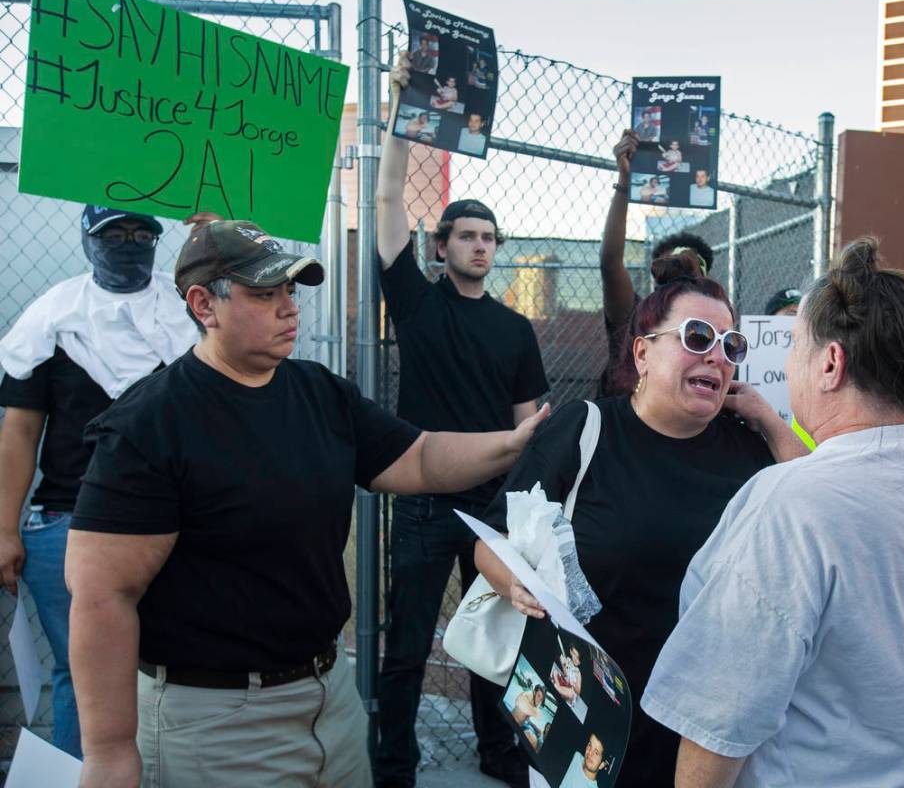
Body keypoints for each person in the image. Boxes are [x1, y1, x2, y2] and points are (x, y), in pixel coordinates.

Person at [65, 218, 548, 788]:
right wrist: (110, 751)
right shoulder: (151, 424)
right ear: (204, 305)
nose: (289, 308)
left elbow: (418, 457)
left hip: (328, 698)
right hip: (215, 722)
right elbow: (102, 596)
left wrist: (514, 445)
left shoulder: (318, 391)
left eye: (290, 291)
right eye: (265, 294)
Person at [642, 238, 904, 787]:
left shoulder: (789, 503)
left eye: (794, 345)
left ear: (830, 363)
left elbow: (720, 716)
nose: (786, 362)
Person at [476, 258, 806, 788]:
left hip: (705, 727)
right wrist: (514, 583)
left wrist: (769, 419)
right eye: (698, 337)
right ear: (643, 352)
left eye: (731, 346)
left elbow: (817, 504)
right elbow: (491, 540)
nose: (717, 356)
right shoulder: (585, 429)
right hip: (586, 715)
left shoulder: (749, 447)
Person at [374, 52, 550, 788]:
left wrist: (530, 519)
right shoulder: (414, 302)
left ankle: (499, 758)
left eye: (488, 237)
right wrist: (399, 112)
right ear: (440, 247)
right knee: (407, 648)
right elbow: (386, 205)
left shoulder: (515, 331)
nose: (479, 244)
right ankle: (393, 768)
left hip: (491, 509)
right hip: (420, 504)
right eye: (465, 235)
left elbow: (529, 427)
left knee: (491, 643)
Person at [0, 205, 196, 758]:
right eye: (113, 234)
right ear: (87, 242)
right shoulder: (51, 320)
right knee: (81, 680)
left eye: (142, 234)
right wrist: (4, 530)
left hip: (173, 526)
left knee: (177, 676)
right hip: (67, 521)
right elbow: (19, 431)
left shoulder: (188, 314)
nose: (129, 244)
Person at [599, 129, 716, 397]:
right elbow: (610, 262)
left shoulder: (713, 331)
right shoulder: (633, 316)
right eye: (670, 260)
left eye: (689, 262)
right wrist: (625, 182)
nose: (679, 265)